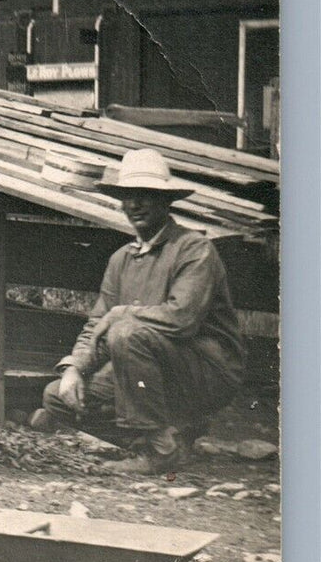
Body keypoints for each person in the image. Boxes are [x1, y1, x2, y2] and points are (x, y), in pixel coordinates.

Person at [29, 149, 245, 474]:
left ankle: (159, 453)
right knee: (57, 397)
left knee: (126, 332)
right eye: (128, 196)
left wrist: (122, 314)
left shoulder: (194, 250)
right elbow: (96, 324)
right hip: (147, 373)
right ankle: (168, 440)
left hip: (207, 372)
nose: (135, 205)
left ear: (165, 201)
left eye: (146, 195)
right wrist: (74, 368)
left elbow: (181, 318)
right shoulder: (122, 259)